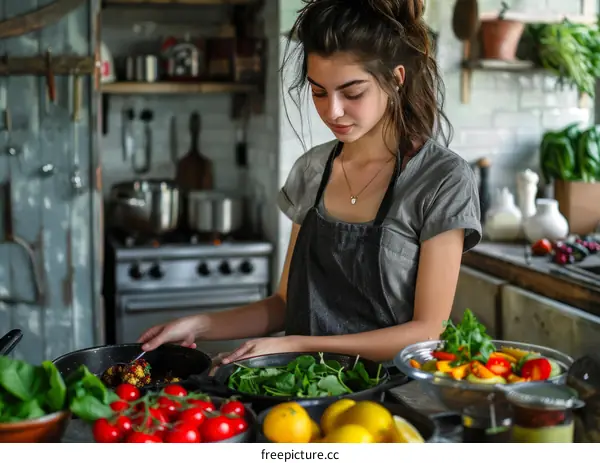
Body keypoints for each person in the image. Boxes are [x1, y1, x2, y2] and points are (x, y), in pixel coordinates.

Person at [138, 0, 482, 364]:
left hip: (391, 402)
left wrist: (297, 345)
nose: (332, 111)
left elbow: (428, 331)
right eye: (319, 92)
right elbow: (285, 304)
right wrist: (198, 325)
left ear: (396, 80)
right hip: (303, 394)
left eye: (352, 93)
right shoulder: (312, 169)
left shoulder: (442, 180)